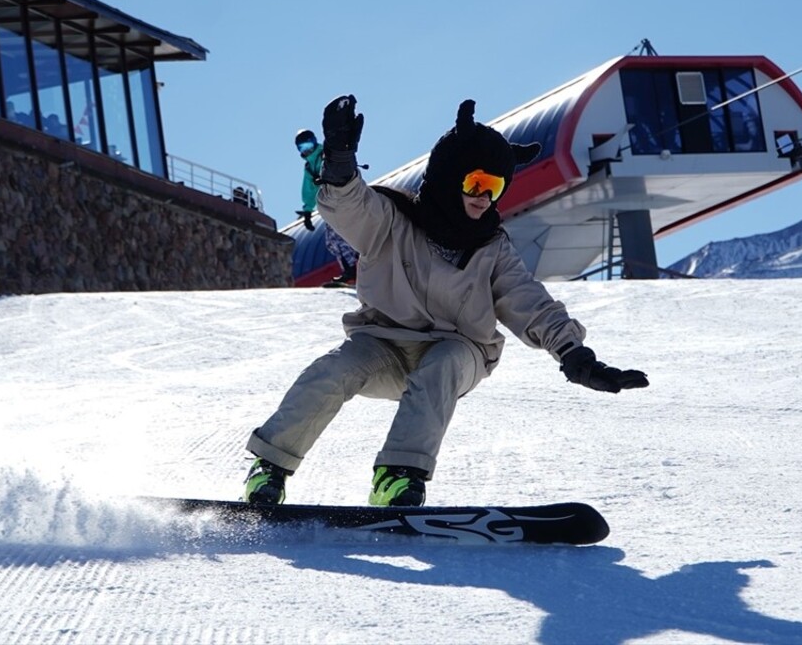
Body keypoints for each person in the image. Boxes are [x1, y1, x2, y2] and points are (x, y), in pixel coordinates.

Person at [244, 95, 649, 507]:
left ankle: (398, 478)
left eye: (494, 187)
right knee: (333, 369)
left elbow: (530, 302)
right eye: (476, 182)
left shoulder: (491, 248)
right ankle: (270, 466)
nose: (483, 197)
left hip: (460, 348)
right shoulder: (391, 220)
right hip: (383, 343)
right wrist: (341, 163)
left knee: (443, 364)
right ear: (449, 175)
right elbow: (349, 207)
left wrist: (574, 355)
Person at [294, 129, 360, 286]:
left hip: (342, 198)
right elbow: (308, 191)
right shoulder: (309, 166)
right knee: (332, 241)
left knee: (341, 236)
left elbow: (336, 169)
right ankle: (349, 269)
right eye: (302, 148)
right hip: (330, 204)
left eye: (308, 145)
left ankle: (358, 265)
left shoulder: (325, 154)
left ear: (314, 141)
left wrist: (325, 179)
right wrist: (308, 212)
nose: (307, 150)